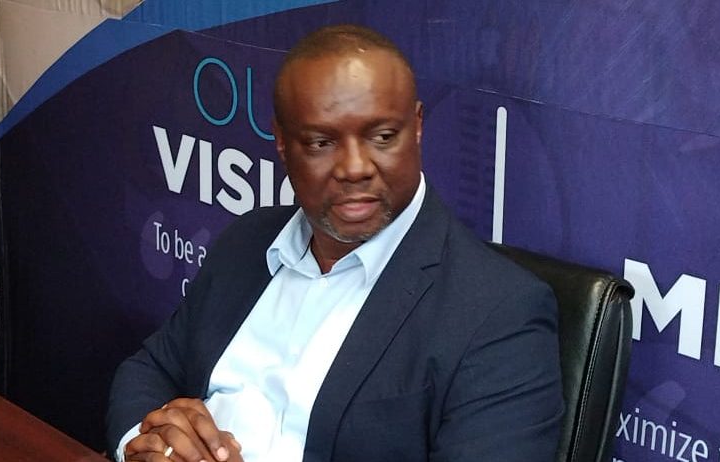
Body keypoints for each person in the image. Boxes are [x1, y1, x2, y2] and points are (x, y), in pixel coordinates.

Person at [107, 24, 563, 462]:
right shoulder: (247, 240)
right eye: (321, 143)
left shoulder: (500, 313)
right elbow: (150, 370)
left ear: (418, 126)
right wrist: (150, 445)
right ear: (282, 144)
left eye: (382, 137)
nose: (354, 168)